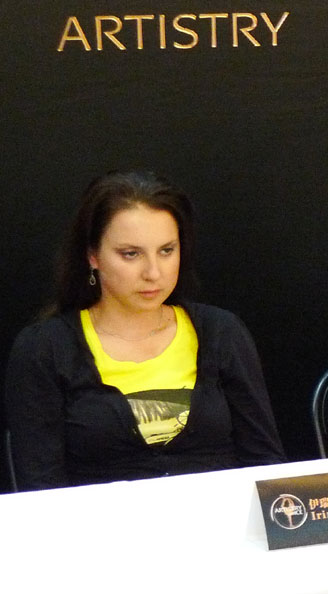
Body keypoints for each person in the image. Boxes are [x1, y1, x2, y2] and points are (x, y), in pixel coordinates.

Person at [5, 171, 286, 490]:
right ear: (92, 255)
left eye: (167, 250)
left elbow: (266, 464)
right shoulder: (45, 348)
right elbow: (41, 489)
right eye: (131, 254)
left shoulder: (221, 332)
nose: (153, 272)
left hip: (224, 530)